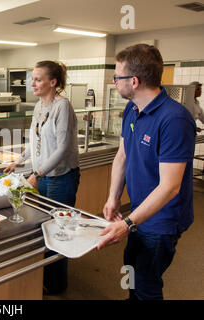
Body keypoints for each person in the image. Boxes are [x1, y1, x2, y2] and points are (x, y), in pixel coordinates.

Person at [97, 44, 196, 300]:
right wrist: (113, 197)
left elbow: (170, 187)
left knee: (146, 283)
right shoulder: (131, 109)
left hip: (162, 219)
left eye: (117, 77)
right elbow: (122, 155)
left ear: (134, 81)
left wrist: (128, 223)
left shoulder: (174, 119)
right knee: (131, 269)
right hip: (140, 212)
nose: (114, 82)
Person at [4, 60, 80, 294]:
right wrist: (19, 160)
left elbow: (63, 148)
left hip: (59, 177)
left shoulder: (62, 106)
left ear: (53, 82)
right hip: (44, 176)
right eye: (32, 79)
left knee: (58, 229)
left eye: (38, 79)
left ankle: (57, 285)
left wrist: (37, 173)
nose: (32, 83)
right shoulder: (39, 106)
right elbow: (35, 140)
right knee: (45, 227)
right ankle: (47, 276)